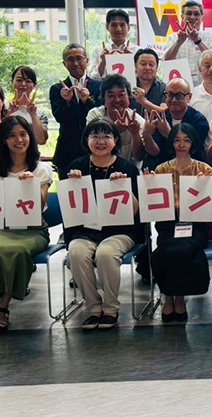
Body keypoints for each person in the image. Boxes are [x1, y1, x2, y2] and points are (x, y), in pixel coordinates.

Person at [0, 117, 52, 335]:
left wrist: (31, 186)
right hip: (2, 229)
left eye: (23, 134)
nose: (19, 140)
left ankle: (2, 307)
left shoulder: (41, 168)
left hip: (32, 231)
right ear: (4, 141)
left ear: (30, 137)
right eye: (12, 135)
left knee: (16, 251)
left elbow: (40, 205)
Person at [66, 118, 142, 330]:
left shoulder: (127, 168)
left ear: (115, 140)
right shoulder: (77, 167)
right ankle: (93, 307)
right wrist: (72, 183)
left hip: (119, 231)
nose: (101, 141)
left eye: (106, 136)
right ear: (87, 140)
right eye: (95, 136)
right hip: (85, 230)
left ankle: (110, 308)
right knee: (76, 253)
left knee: (106, 254)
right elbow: (70, 207)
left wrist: (123, 187)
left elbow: (136, 211)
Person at [148, 123, 212, 323]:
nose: (181, 145)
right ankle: (168, 296)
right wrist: (149, 183)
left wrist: (204, 184)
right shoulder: (161, 169)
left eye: (186, 140)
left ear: (193, 143)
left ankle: (179, 297)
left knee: (181, 250)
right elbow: (155, 202)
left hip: (195, 224)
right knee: (162, 252)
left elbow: (208, 202)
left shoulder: (204, 169)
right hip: (169, 224)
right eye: (177, 140)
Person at [49, 43, 102, 179]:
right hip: (67, 151)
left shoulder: (99, 86)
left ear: (87, 61)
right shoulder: (56, 89)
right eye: (70, 59)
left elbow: (101, 118)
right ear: (64, 64)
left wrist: (87, 101)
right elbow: (59, 117)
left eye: (79, 58)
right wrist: (67, 102)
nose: (75, 63)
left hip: (95, 150)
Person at [143, 77, 209, 170]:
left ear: (189, 97)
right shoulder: (159, 118)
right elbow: (154, 153)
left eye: (179, 95)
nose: (174, 100)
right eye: (170, 95)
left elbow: (192, 151)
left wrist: (168, 134)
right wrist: (147, 135)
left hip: (192, 169)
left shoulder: (199, 121)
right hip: (163, 169)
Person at [86, 74, 145, 164]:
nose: (117, 100)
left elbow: (139, 157)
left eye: (121, 95)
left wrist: (135, 133)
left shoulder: (138, 121)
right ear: (104, 99)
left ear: (129, 97)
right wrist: (114, 131)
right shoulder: (95, 115)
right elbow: (90, 147)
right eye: (111, 96)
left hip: (129, 170)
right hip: (99, 166)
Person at [163, 0, 212, 86]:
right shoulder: (174, 38)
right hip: (181, 87)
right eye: (189, 14)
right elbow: (166, 60)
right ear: (182, 17)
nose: (192, 17)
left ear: (202, 17)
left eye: (196, 14)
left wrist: (198, 41)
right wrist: (179, 42)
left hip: (206, 86)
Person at [89, 9, 141, 80]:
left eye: (122, 25)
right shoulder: (98, 51)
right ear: (107, 27)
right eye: (114, 25)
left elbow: (143, 78)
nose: (118, 29)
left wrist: (131, 62)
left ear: (128, 27)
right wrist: (103, 62)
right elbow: (93, 78)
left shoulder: (137, 51)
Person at [6, 66, 49, 145]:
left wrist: (33, 115)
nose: (23, 84)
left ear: (34, 85)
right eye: (19, 80)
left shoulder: (39, 113)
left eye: (28, 81)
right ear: (12, 82)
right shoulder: (3, 108)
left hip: (32, 152)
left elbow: (41, 140)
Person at [131, 48, 166, 117]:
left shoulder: (163, 88)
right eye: (143, 64)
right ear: (135, 67)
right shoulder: (129, 86)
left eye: (151, 64)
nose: (147, 68)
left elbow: (165, 113)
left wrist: (143, 101)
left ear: (157, 68)